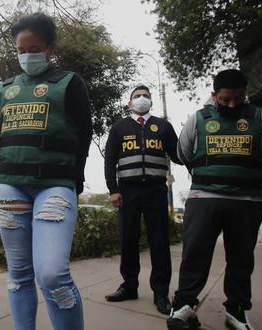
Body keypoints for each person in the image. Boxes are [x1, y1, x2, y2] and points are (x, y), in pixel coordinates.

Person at [0, 12, 92, 330]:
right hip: (10, 184)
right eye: (20, 50)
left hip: (55, 184)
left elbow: (85, 134)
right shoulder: (4, 89)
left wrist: (75, 180)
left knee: (52, 274)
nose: (26, 56)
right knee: (18, 275)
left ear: (49, 48)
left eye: (33, 48)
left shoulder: (68, 83)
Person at [167, 69, 262, 330]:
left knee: (241, 258)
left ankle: (236, 311)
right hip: (204, 197)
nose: (231, 104)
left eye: (238, 99)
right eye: (225, 99)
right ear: (214, 94)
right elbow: (184, 153)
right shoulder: (198, 118)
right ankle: (184, 305)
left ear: (245, 94)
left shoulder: (260, 118)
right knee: (194, 253)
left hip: (247, 200)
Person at [103, 85, 181, 315]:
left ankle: (160, 292)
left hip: (156, 191)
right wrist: (113, 189)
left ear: (151, 102)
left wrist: (193, 142)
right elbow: (110, 160)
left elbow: (177, 155)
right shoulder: (119, 128)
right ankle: (129, 286)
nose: (142, 99)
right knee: (128, 239)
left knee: (159, 241)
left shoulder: (163, 126)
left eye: (146, 96)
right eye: (137, 96)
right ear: (129, 103)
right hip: (128, 192)